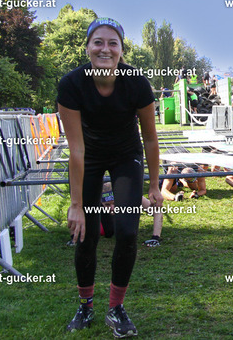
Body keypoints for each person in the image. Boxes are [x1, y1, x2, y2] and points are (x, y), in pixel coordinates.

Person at [57, 17, 163, 337]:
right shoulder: (71, 84)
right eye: (98, 42)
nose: (105, 49)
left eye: (112, 43)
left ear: (121, 50)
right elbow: (76, 149)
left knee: (127, 231)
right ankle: (85, 305)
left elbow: (150, 139)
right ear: (88, 48)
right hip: (88, 156)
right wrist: (76, 205)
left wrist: (154, 185)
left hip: (125, 155)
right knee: (85, 234)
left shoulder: (137, 83)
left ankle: (116, 308)